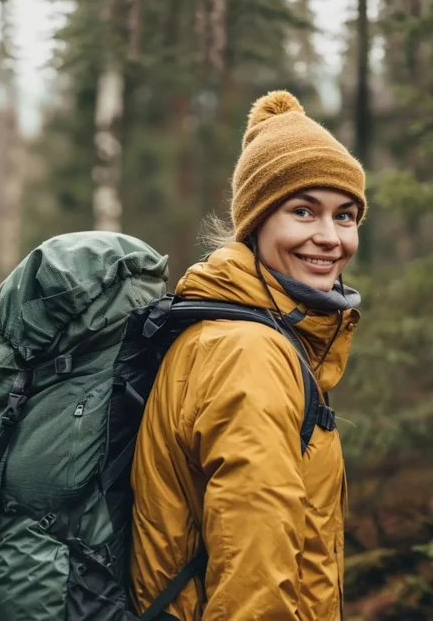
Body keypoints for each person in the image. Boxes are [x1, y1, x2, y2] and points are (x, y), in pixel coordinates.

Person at [129, 90, 366, 621]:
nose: (330, 238)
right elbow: (253, 580)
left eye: (345, 216)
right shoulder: (248, 352)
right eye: (303, 211)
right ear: (255, 223)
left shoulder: (236, 327)